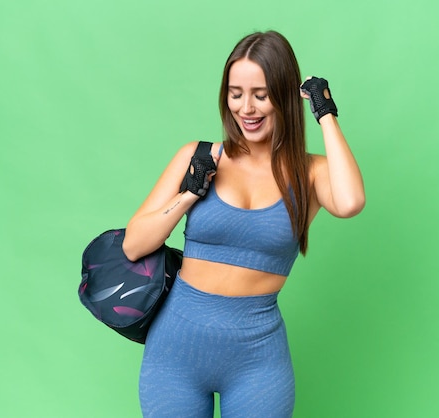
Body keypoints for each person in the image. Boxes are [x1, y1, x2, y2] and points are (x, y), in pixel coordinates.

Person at [122, 30, 365, 418]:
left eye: (261, 94)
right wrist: (189, 194)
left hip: (257, 360)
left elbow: (351, 202)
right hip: (175, 353)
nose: (246, 108)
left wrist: (325, 113)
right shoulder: (198, 156)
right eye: (236, 93)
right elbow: (134, 245)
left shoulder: (312, 173)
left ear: (285, 96)